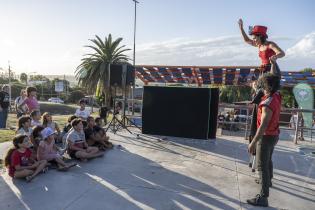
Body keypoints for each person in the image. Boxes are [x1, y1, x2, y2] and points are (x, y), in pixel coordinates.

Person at [247, 74, 281, 207]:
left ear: (267, 86)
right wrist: (272, 63)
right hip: (274, 135)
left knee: (262, 166)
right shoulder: (276, 95)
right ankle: (268, 181)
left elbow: (263, 125)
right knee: (268, 161)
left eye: (262, 85)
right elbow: (273, 77)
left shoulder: (267, 104)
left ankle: (263, 196)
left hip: (266, 137)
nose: (260, 87)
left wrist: (253, 142)